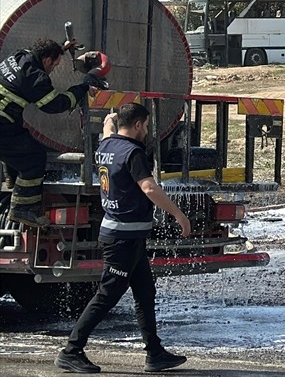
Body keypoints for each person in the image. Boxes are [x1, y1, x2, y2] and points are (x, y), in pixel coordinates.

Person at [56, 103, 191, 374]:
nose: (148, 131)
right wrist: (179, 214)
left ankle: (155, 353)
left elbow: (107, 129)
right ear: (139, 124)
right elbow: (149, 187)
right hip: (122, 238)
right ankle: (71, 351)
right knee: (107, 295)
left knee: (145, 293)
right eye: (147, 125)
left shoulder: (106, 146)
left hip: (129, 235)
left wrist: (110, 119)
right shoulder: (133, 153)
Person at [0, 38, 99, 228]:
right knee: (34, 158)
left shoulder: (19, 56)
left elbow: (42, 51)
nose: (53, 69)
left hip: (7, 125)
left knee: (20, 140)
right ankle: (23, 209)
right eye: (54, 64)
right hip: (3, 126)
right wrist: (82, 88)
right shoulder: (36, 77)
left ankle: (11, 177)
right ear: (46, 60)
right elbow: (55, 105)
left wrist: (61, 48)